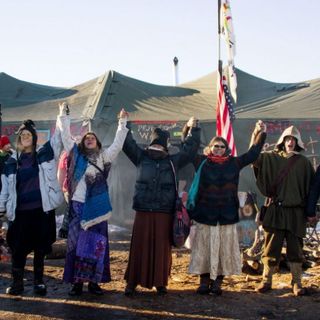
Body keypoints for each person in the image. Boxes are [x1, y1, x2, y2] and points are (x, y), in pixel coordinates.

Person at [123, 117, 201, 296]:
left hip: (164, 211)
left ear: (165, 146)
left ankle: (160, 282)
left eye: (160, 145)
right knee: (139, 247)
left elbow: (190, 150)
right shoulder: (141, 157)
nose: (157, 148)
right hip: (143, 210)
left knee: (162, 248)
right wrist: (124, 123)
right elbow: (127, 143)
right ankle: (132, 282)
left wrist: (194, 129)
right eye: (156, 144)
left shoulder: (173, 161)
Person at [58, 103, 129, 296]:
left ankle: (94, 282)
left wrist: (122, 122)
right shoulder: (76, 155)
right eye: (86, 138)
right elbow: (65, 135)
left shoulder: (104, 157)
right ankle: (77, 283)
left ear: (98, 143)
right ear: (82, 143)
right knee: (77, 244)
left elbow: (117, 144)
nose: (89, 139)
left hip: (97, 208)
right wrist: (63, 115)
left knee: (96, 245)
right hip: (78, 206)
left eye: (93, 138)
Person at [188, 121, 266, 295]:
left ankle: (217, 284)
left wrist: (260, 133)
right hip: (206, 214)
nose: (218, 149)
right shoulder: (202, 162)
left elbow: (253, 154)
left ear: (226, 149)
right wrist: (191, 129)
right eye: (215, 146)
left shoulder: (234, 163)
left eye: (222, 146)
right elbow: (189, 150)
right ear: (209, 147)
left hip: (226, 216)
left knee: (222, 251)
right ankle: (204, 282)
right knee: (205, 249)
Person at [0, 115, 65, 296]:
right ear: (19, 138)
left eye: (29, 134)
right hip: (20, 213)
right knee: (18, 250)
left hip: (40, 211)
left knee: (39, 249)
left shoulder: (43, 154)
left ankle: (38, 282)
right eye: (23, 135)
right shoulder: (12, 161)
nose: (25, 137)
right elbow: (5, 188)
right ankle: (17, 284)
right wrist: (1, 208)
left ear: (34, 137)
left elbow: (58, 137)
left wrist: (62, 116)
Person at [253, 125, 314, 296]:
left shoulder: (303, 163)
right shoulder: (270, 158)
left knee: (296, 249)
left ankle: (297, 282)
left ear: (298, 143)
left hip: (296, 212)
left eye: (294, 140)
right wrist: (257, 134)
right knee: (271, 247)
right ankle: (266, 280)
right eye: (288, 139)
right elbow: (253, 157)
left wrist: (310, 212)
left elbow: (312, 189)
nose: (290, 142)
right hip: (276, 210)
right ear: (282, 141)